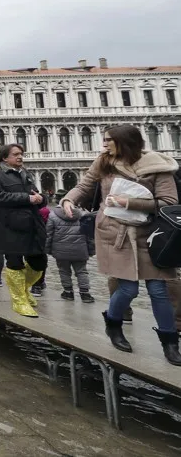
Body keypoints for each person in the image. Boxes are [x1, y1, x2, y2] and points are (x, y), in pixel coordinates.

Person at [61, 124, 181, 364]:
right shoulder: (104, 162)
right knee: (128, 288)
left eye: (109, 140)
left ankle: (170, 343)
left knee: (159, 290)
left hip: (150, 235)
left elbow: (169, 201)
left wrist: (130, 202)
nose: (104, 144)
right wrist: (68, 199)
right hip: (115, 232)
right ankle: (114, 325)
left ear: (125, 142)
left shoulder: (158, 167)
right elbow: (85, 185)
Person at [0, 144, 46, 318]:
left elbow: (36, 193)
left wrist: (41, 198)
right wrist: (27, 198)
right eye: (16, 154)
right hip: (9, 225)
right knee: (14, 261)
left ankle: (23, 289)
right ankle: (19, 300)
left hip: (32, 224)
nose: (20, 157)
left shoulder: (25, 173)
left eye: (21, 154)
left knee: (39, 261)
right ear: (5, 157)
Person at [45, 202, 95, 302]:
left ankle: (68, 292)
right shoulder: (83, 214)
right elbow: (89, 236)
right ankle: (85, 294)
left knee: (64, 271)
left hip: (60, 250)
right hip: (80, 250)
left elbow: (48, 234)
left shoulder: (53, 215)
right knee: (82, 271)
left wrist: (48, 249)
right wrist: (91, 250)